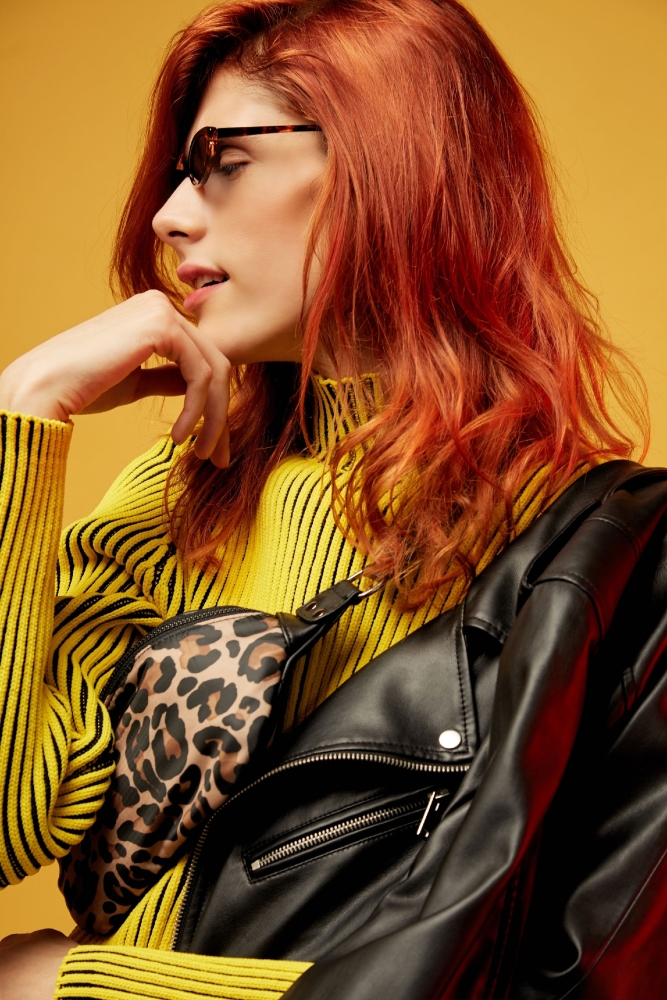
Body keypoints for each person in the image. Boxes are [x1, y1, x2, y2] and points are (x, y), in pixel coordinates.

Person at [0, 0, 649, 998]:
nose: (169, 214)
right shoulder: (177, 497)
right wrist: (22, 413)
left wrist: (77, 986)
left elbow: (556, 981)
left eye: (222, 162)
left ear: (384, 165)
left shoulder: (597, 555)